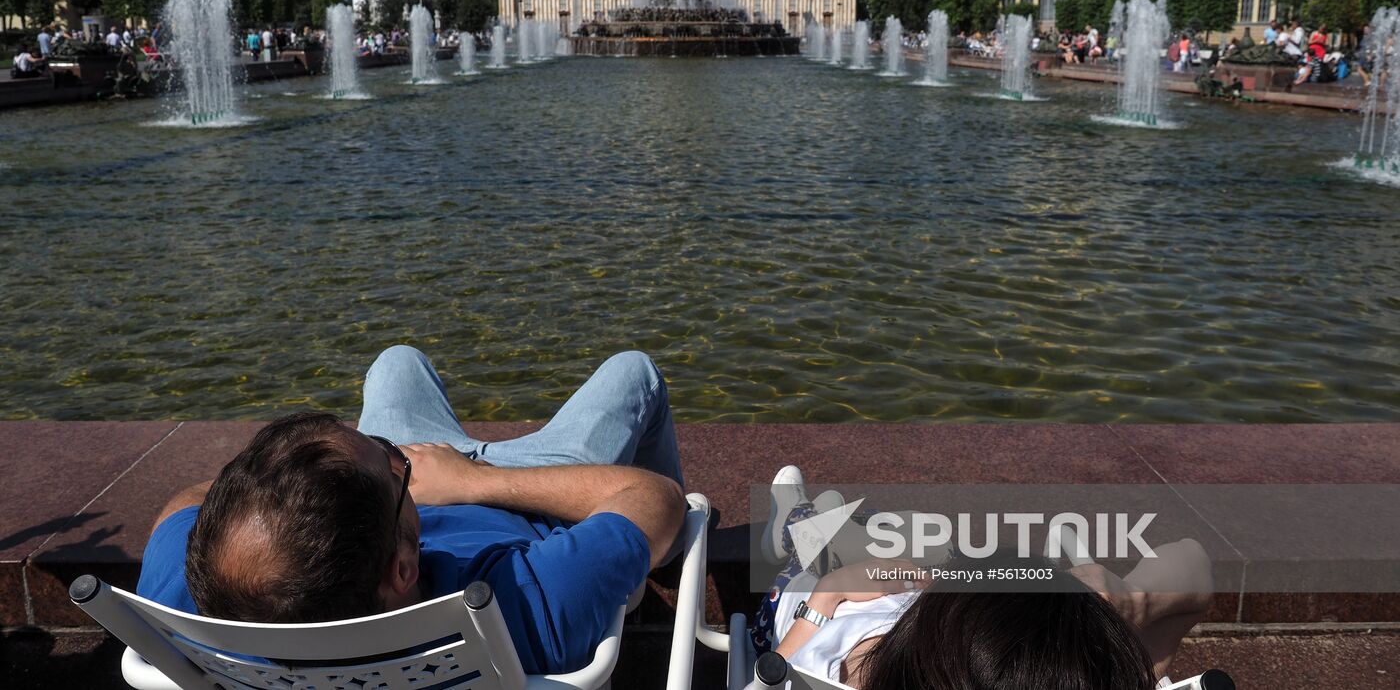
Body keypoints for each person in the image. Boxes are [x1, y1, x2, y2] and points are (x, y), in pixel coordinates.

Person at [136, 346, 686, 676]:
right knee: (633, 371)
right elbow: (657, 499)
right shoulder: (517, 605)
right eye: (393, 463)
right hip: (524, 489)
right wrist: (476, 481)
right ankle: (669, 567)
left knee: (397, 362)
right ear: (403, 568)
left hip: (382, 515)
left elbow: (186, 504)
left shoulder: (206, 592)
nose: (396, 451)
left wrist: (282, 487)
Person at [755, 468, 1213, 690]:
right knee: (922, 543)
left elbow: (773, 676)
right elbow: (1194, 564)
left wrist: (828, 594)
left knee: (903, 534)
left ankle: (798, 520)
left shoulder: (831, 672)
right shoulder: (1083, 676)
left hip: (808, 605)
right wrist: (1131, 601)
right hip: (908, 596)